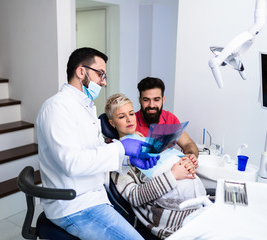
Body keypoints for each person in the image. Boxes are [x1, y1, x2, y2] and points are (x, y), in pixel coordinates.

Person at [36, 47, 158, 240]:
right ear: (81, 71)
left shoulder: (85, 108)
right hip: (74, 206)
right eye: (100, 74)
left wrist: (128, 161)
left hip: (94, 197)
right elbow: (72, 163)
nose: (104, 81)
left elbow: (95, 154)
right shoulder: (56, 108)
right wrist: (121, 147)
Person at [105, 93, 207, 239]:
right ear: (112, 123)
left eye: (131, 113)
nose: (129, 119)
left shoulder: (146, 140)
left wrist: (187, 161)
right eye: (121, 117)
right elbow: (135, 196)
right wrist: (174, 175)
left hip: (199, 208)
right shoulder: (116, 159)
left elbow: (166, 162)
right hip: (175, 220)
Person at [136, 77, 199, 167]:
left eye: (156, 99)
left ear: (163, 100)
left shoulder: (170, 118)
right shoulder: (130, 121)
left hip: (167, 171)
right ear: (140, 100)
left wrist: (190, 155)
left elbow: (188, 143)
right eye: (146, 100)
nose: (151, 105)